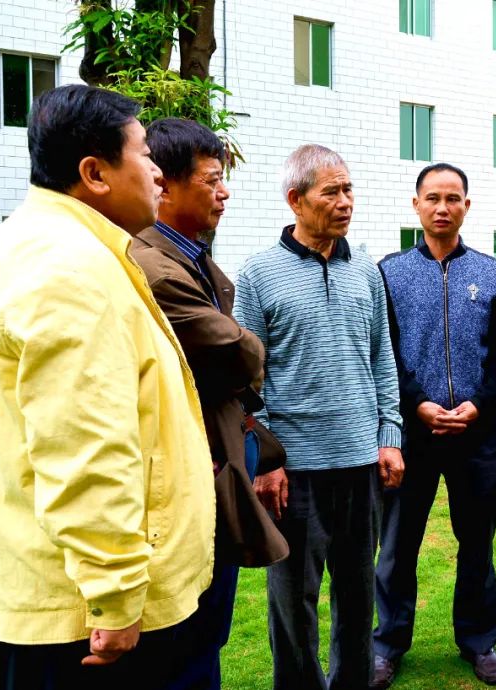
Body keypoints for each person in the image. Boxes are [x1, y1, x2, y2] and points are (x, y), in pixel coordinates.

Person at [0, 84, 216, 690]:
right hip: (85, 626)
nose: (157, 171)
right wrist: (116, 594)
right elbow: (83, 447)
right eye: (145, 153)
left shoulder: (50, 246)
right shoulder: (65, 268)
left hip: (65, 604)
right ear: (94, 172)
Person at [233, 144, 404, 690]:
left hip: (360, 462)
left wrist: (390, 435)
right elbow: (245, 380)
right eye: (331, 192)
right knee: (293, 602)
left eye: (348, 189)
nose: (345, 201)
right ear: (295, 200)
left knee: (356, 597)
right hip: (293, 472)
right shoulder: (258, 274)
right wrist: (264, 459)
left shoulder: (367, 270)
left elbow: (382, 357)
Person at [129, 117, 287, 689]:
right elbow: (238, 350)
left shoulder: (193, 255)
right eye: (212, 180)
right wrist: (247, 345)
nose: (225, 192)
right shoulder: (151, 264)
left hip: (224, 455)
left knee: (208, 628)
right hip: (193, 466)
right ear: (163, 185)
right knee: (187, 631)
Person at [372, 163, 496, 688]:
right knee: (398, 542)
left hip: (477, 435)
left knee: (476, 541)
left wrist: (479, 404)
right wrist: (417, 404)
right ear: (416, 205)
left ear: (467, 207)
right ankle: (387, 644)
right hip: (411, 435)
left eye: (453, 198)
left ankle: (479, 641)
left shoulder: (491, 271)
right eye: (432, 198)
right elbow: (382, 351)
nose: (442, 207)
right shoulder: (388, 272)